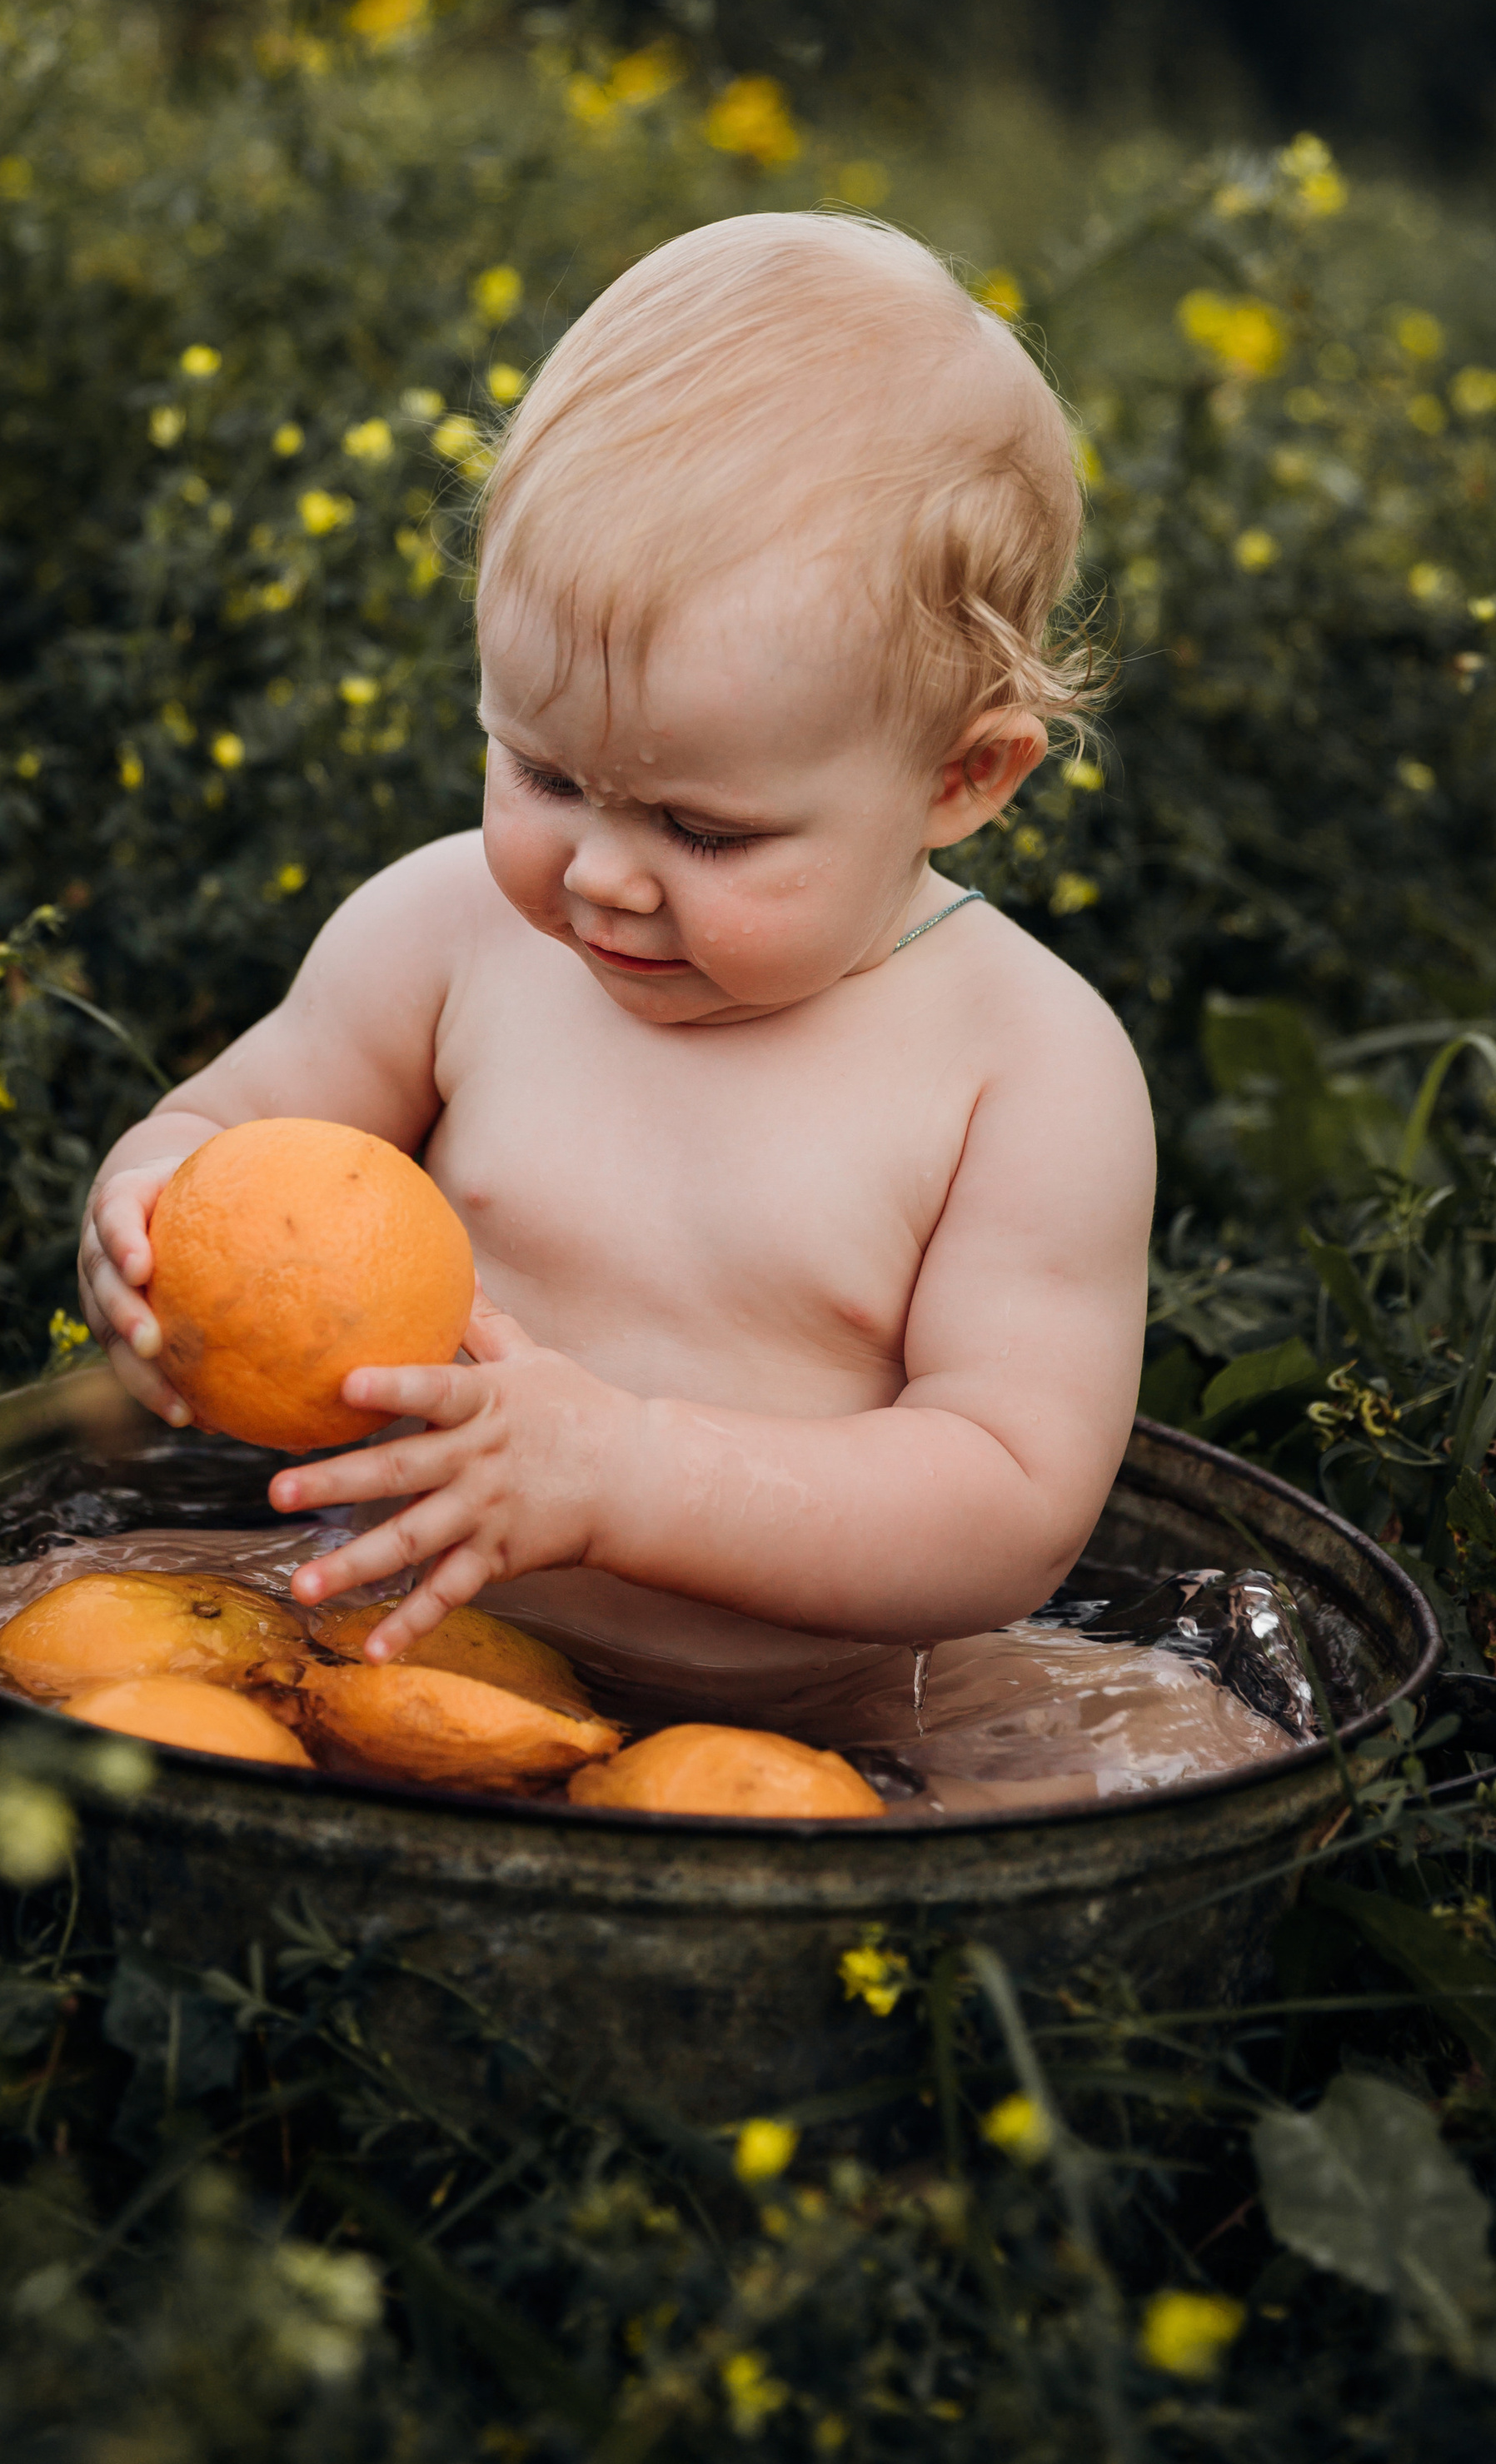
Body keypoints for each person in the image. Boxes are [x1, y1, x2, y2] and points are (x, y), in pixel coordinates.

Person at [77, 212, 1154, 1678]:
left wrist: (636, 1477)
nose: (599, 878)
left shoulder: (1023, 1071)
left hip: (814, 1709)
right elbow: (233, 1125)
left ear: (962, 780)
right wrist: (146, 1221)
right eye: (544, 774)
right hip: (414, 1640)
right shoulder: (448, 931)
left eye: (703, 834)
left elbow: (1012, 1501)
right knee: (41, 1620)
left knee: (1131, 1745)